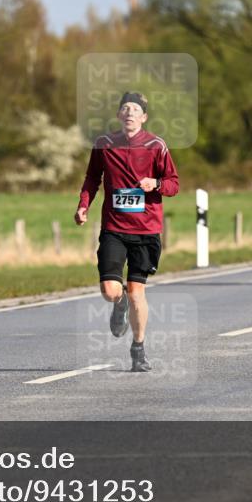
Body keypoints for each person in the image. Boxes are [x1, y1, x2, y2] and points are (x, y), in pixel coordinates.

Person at [75, 92, 179, 373]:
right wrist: (83, 205)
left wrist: (155, 183)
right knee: (111, 290)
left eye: (136, 109)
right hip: (114, 228)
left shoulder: (157, 145)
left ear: (144, 117)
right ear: (119, 115)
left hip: (146, 231)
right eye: (125, 108)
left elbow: (173, 184)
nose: (130, 113)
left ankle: (138, 347)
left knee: (136, 293)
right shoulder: (104, 144)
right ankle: (117, 304)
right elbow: (92, 179)